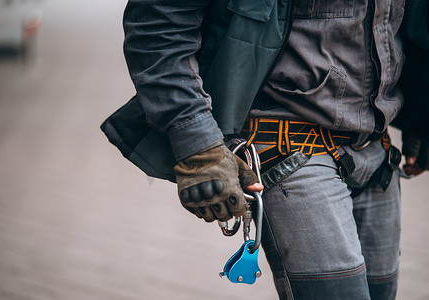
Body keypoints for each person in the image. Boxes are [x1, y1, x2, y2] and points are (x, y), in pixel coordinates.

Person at [101, 0, 428, 299]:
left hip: (377, 150)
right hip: (289, 150)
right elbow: (160, 26)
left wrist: (422, 118)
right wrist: (199, 147)